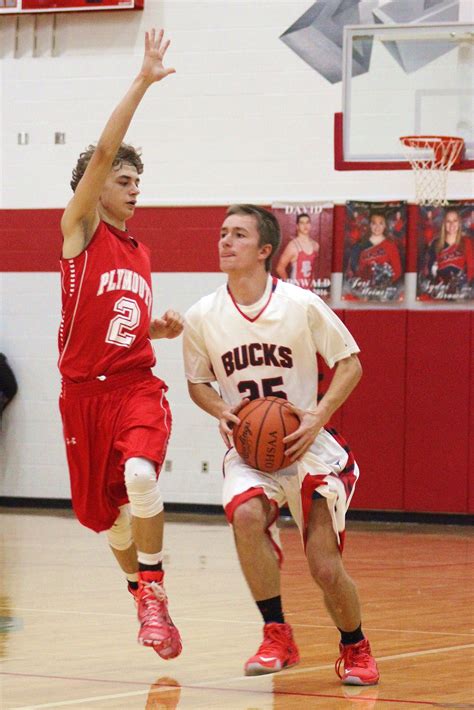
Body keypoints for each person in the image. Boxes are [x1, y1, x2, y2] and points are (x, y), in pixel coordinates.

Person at [183, 204, 379, 685]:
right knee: (246, 515)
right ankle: (277, 634)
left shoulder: (301, 304)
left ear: (265, 250)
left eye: (239, 235)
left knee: (323, 565)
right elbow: (197, 382)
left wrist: (318, 417)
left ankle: (355, 646)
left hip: (309, 447)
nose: (225, 242)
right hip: (252, 452)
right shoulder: (201, 316)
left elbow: (350, 363)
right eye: (223, 233)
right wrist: (219, 411)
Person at [58, 28, 183, 659]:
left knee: (139, 474)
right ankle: (142, 595)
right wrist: (142, 80)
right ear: (97, 184)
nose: (135, 187)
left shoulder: (142, 253)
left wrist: (152, 329)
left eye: (139, 179)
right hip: (81, 397)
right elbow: (105, 148)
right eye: (125, 178)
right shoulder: (78, 228)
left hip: (135, 387)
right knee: (109, 521)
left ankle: (154, 588)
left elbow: (119, 320)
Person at [347, 211, 402, 287]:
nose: (377, 227)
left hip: (385, 291)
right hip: (364, 290)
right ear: (370, 225)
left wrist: (385, 283)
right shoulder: (360, 246)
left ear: (385, 225)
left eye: (381, 223)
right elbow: (355, 270)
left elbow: (397, 270)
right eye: (374, 223)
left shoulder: (391, 245)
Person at [425, 209, 474, 290]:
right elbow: (428, 269)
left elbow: (471, 267)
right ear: (444, 224)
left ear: (459, 223)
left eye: (455, 221)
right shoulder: (436, 243)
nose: (452, 224)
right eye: (448, 221)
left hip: (462, 291)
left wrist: (468, 285)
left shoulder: (466, 242)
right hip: (440, 289)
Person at [276, 213, 319, 288]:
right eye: (302, 223)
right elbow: (280, 268)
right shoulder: (293, 246)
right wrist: (289, 286)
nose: (305, 226)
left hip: (310, 290)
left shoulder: (315, 245)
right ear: (297, 226)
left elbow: (313, 268)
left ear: (310, 225)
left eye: (307, 222)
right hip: (296, 290)